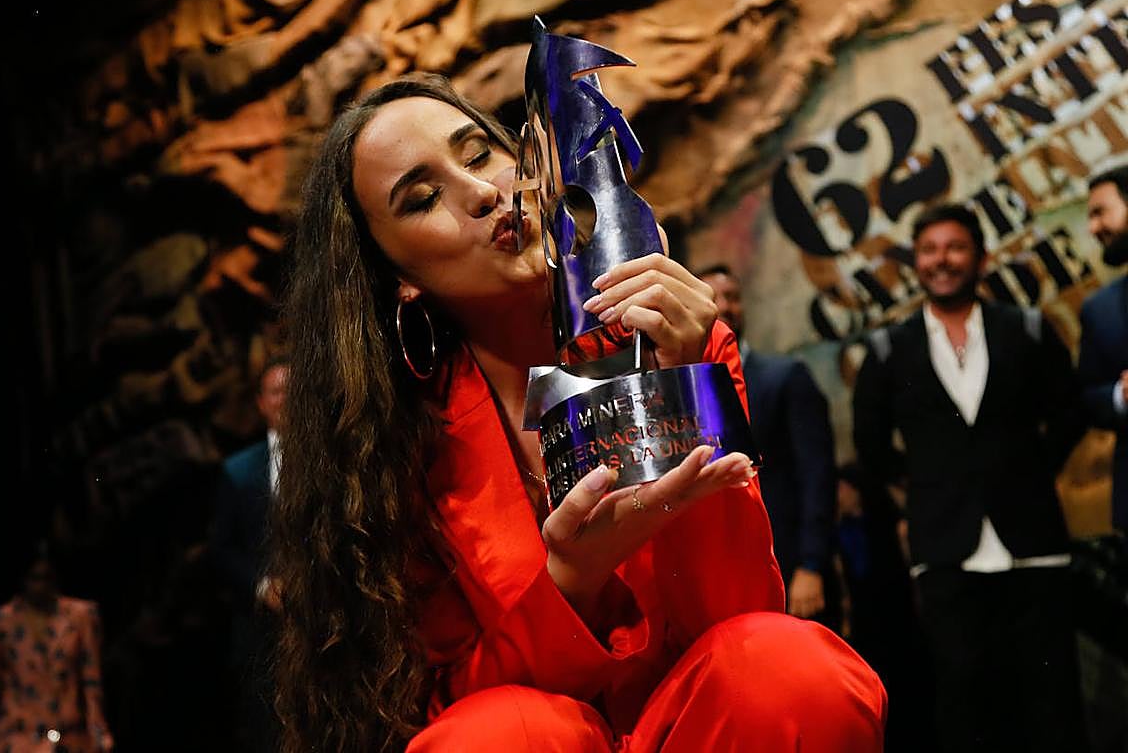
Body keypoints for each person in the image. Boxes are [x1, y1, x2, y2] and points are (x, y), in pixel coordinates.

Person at [269, 73, 886, 752]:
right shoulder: (392, 448)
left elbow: (743, 619)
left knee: (787, 665)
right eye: (422, 198)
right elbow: (437, 710)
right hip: (546, 738)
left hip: (714, 720)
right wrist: (570, 583)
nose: (480, 194)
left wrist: (687, 383)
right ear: (398, 278)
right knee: (496, 734)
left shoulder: (669, 337)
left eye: (480, 155)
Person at [853, 203, 1088, 753]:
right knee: (965, 700)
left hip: (1033, 544)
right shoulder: (891, 349)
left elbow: (1071, 411)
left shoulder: (1025, 330)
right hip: (945, 550)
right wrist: (926, 486)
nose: (943, 260)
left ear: (980, 257)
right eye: (930, 250)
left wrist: (1032, 469)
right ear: (915, 262)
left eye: (955, 247)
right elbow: (869, 444)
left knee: (1052, 697)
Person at [695, 264, 838, 625]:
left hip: (788, 561)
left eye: (732, 297)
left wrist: (812, 564)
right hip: (722, 576)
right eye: (712, 298)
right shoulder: (682, 390)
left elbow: (816, 474)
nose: (724, 306)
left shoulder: (784, 376)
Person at [209, 355, 288, 752]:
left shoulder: (330, 465)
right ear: (260, 403)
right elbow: (220, 551)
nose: (285, 401)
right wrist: (261, 586)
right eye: (276, 392)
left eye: (293, 392)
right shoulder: (237, 471)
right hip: (260, 631)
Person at [0, 549, 112, 753]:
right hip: (18, 737)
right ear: (23, 580)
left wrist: (99, 735)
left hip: (69, 737)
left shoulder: (80, 617)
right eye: (35, 578)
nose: (41, 586)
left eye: (47, 577)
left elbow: (91, 681)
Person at [1079, 157, 1128, 532]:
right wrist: (1120, 396)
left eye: (1101, 213)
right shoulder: (1100, 309)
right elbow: (1087, 397)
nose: (1093, 228)